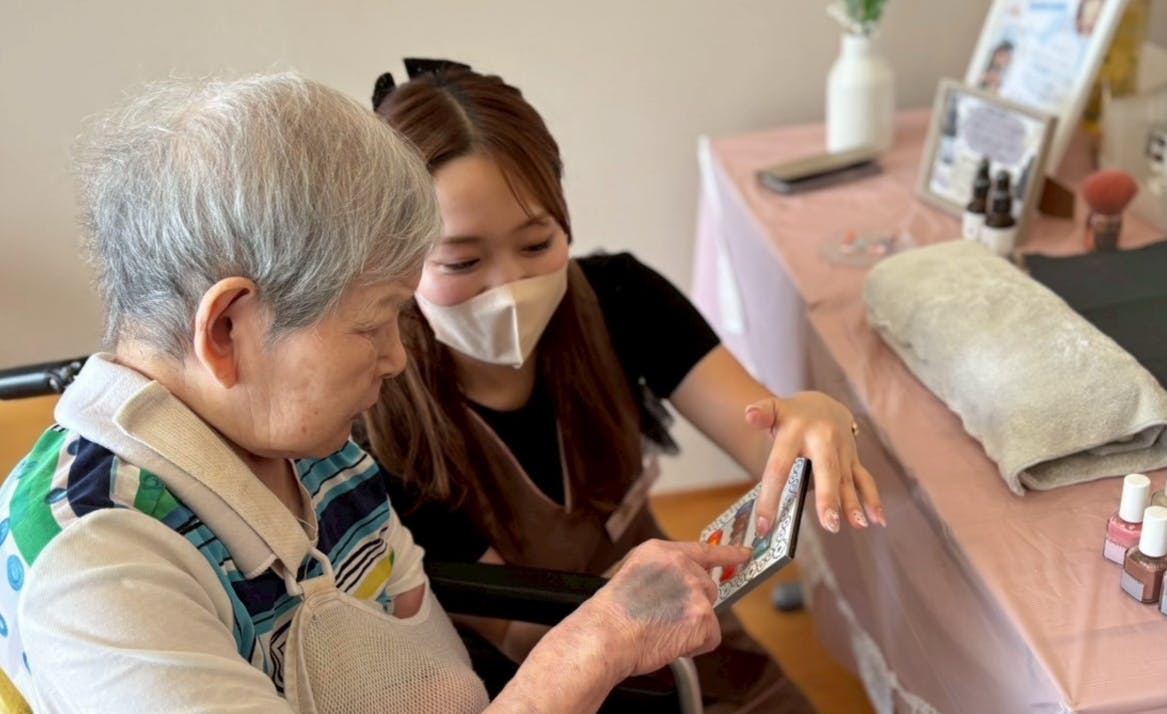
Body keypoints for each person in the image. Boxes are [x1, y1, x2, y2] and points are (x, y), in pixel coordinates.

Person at [0, 72, 752, 713]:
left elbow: (440, 692)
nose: (396, 358)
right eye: (372, 324)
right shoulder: (99, 568)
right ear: (227, 329)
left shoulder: (317, 453)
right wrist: (588, 649)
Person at [366, 63, 886, 712]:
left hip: (692, 629)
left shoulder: (622, 299)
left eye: (536, 243)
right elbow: (526, 640)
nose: (509, 285)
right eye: (463, 261)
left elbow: (764, 437)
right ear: (396, 257)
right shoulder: (382, 422)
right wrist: (619, 625)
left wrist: (809, 421)